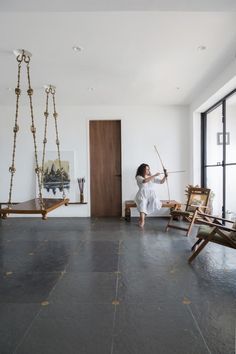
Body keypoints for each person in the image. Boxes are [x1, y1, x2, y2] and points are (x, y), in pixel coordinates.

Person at [135, 163, 168, 228]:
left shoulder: (151, 177)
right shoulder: (138, 177)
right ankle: (142, 221)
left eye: (148, 169)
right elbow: (144, 181)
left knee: (155, 202)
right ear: (142, 170)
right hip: (142, 194)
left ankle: (142, 217)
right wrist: (154, 175)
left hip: (151, 194)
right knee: (143, 203)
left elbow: (161, 182)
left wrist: (165, 176)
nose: (148, 170)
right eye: (146, 169)